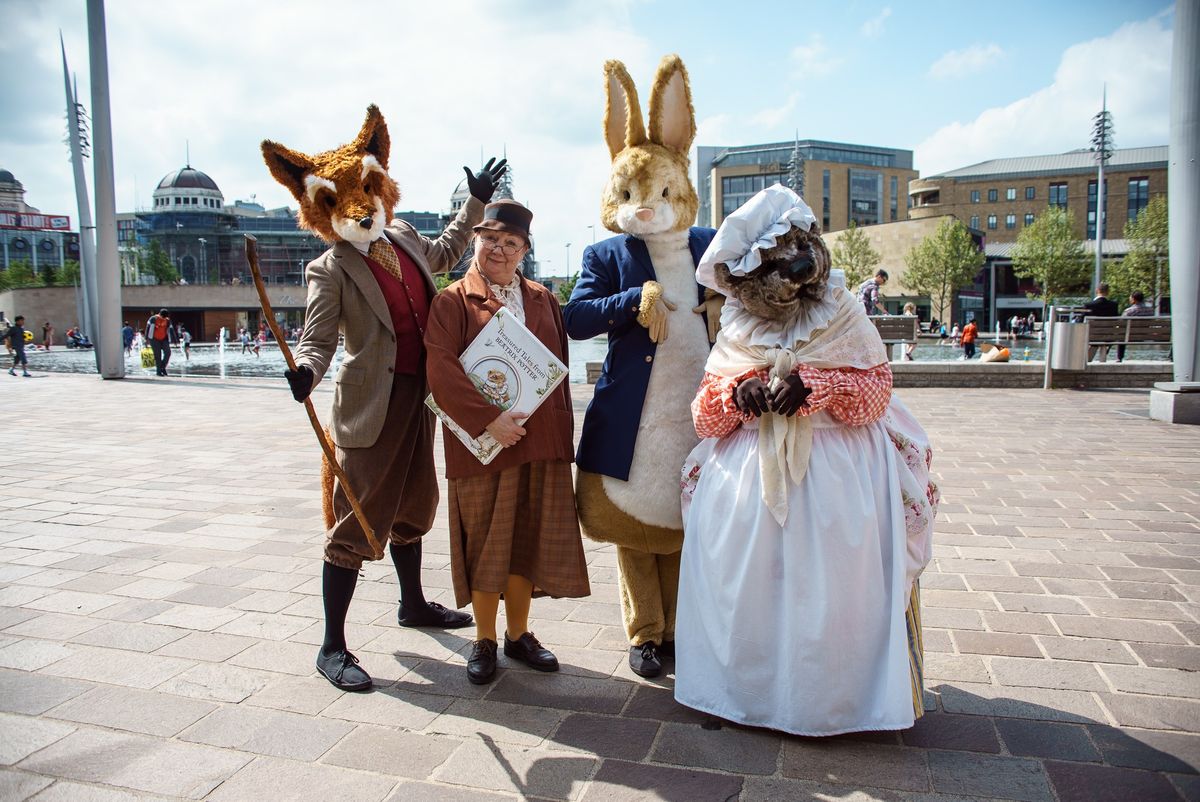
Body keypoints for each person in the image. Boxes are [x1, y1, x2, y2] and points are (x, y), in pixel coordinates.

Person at [675, 191, 937, 735]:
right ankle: (747, 692)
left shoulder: (841, 308)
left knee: (835, 587)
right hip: (749, 477)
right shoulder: (736, 327)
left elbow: (876, 391)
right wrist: (737, 396)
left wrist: (816, 386)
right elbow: (704, 415)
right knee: (751, 587)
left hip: (838, 469)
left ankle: (832, 700)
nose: (794, 272)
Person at [268, 103, 507, 691]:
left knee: (414, 503)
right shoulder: (329, 267)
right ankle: (331, 645)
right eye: (340, 200)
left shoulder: (400, 234)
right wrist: (304, 370)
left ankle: (413, 603)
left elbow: (448, 251)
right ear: (318, 208)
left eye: (367, 190)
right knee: (357, 520)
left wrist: (474, 203)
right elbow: (318, 338)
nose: (360, 207)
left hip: (420, 397)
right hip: (371, 405)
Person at [425, 200, 589, 685]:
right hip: (483, 445)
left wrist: (561, 437)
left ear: (524, 250)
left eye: (511, 242)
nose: (500, 249)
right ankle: (483, 639)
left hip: (538, 443)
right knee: (486, 544)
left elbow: (555, 374)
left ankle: (518, 635)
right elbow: (441, 370)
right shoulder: (452, 300)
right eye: (491, 238)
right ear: (475, 240)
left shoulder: (543, 299)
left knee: (525, 541)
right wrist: (488, 421)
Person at [1084, 283, 1120, 362]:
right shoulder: (1114, 305)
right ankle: (1096, 359)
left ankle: (1086, 360)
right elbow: (1116, 320)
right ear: (1108, 292)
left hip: (1092, 336)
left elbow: (1080, 320)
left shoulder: (1089, 305)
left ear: (1097, 291)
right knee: (1103, 337)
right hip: (1109, 337)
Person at [1117, 290, 1154, 362]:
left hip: (1129, 337)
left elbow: (1121, 324)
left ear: (1134, 299)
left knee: (1121, 334)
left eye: (1130, 297)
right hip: (1146, 336)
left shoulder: (1128, 311)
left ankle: (1119, 358)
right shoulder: (1150, 311)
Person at [145, 309, 177, 376]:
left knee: (168, 353)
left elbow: (171, 329)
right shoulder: (153, 319)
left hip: (164, 339)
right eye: (163, 317)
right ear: (160, 314)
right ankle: (158, 371)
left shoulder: (167, 320)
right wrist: (146, 339)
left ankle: (162, 367)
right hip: (154, 339)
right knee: (157, 355)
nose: (164, 319)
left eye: (165, 318)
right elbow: (148, 328)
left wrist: (175, 340)